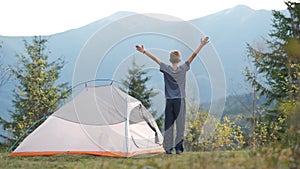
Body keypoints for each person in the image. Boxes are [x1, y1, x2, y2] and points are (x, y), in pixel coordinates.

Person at [135, 37, 209, 154]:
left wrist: (144, 51)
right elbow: (193, 56)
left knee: (169, 124)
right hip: (180, 100)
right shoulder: (183, 68)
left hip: (169, 100)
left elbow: (156, 59)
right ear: (179, 60)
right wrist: (202, 45)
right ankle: (179, 149)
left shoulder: (166, 68)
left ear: (170, 60)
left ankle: (168, 148)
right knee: (180, 124)